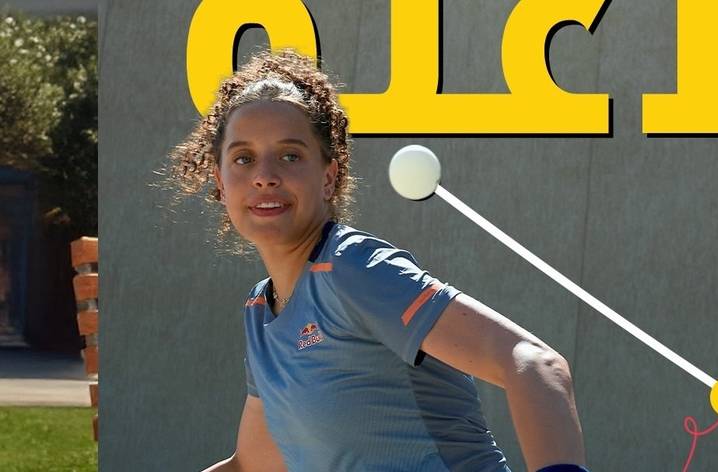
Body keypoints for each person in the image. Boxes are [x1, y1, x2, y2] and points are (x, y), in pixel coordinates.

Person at [168, 49, 588, 472]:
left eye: (290, 155)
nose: (264, 176)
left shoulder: (353, 268)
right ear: (220, 182)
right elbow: (251, 465)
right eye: (243, 159)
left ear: (329, 177)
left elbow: (534, 362)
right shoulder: (260, 311)